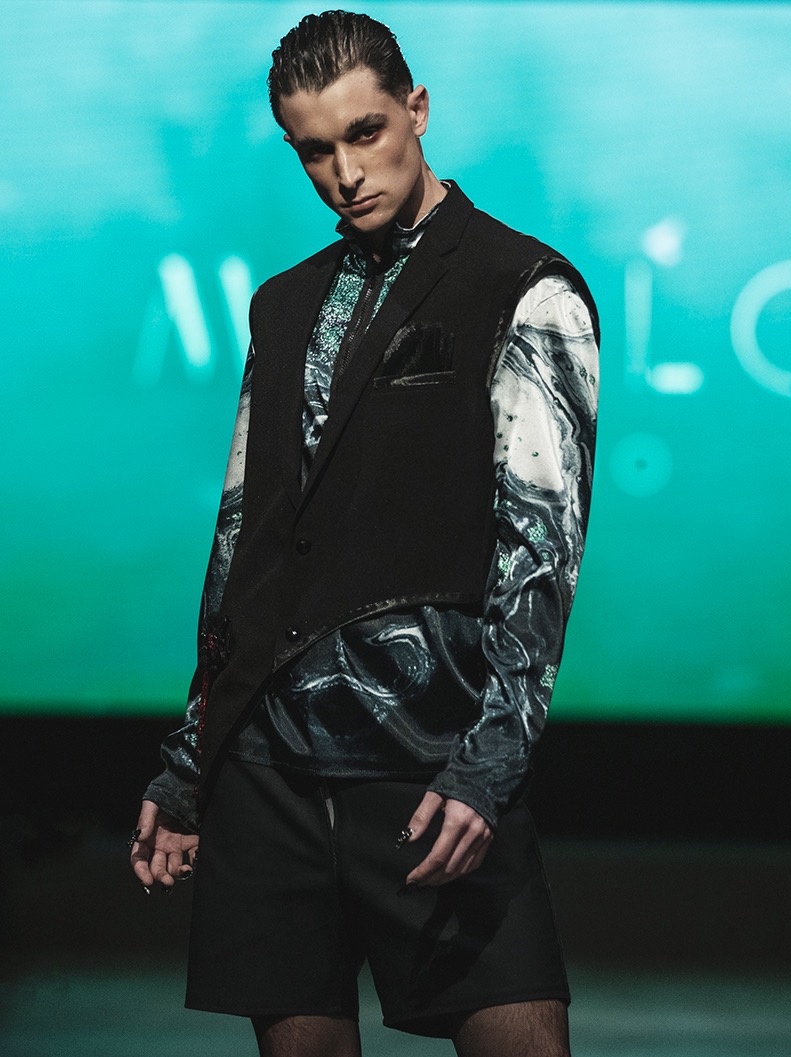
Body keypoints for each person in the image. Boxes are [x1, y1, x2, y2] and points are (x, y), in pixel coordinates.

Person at [130, 11, 599, 1057]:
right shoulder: (283, 305)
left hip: (431, 759)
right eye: (314, 150)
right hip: (269, 774)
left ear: (417, 110)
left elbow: (541, 555)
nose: (344, 173)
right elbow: (244, 544)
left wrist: (488, 764)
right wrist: (190, 762)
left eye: (365, 132)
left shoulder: (524, 289)